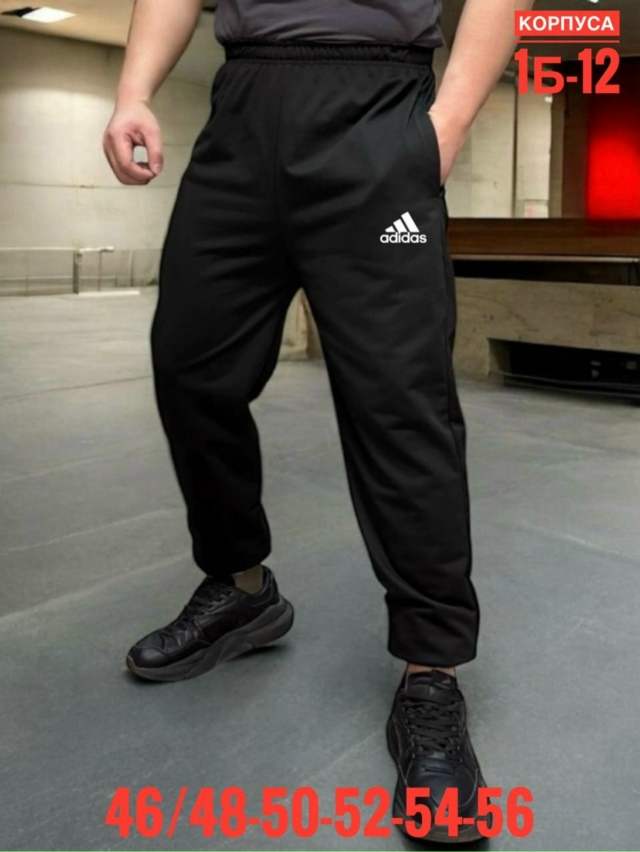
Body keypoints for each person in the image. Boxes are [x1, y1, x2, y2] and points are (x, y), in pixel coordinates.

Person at [103, 0, 533, 841]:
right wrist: (132, 90)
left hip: (379, 112)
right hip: (242, 113)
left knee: (400, 405)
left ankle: (432, 673)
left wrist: (442, 128)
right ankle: (240, 588)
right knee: (190, 367)